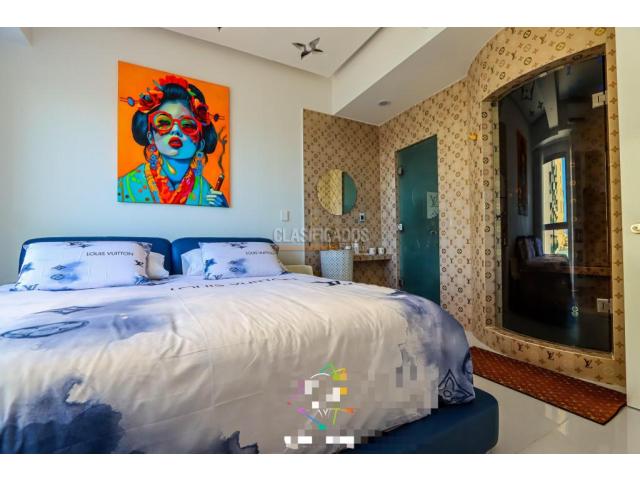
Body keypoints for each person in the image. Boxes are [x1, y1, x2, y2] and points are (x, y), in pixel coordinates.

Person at [118, 75, 227, 207]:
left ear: (201, 143)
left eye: (188, 125)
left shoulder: (209, 196)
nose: (175, 130)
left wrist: (222, 207)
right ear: (151, 136)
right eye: (163, 122)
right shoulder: (124, 188)